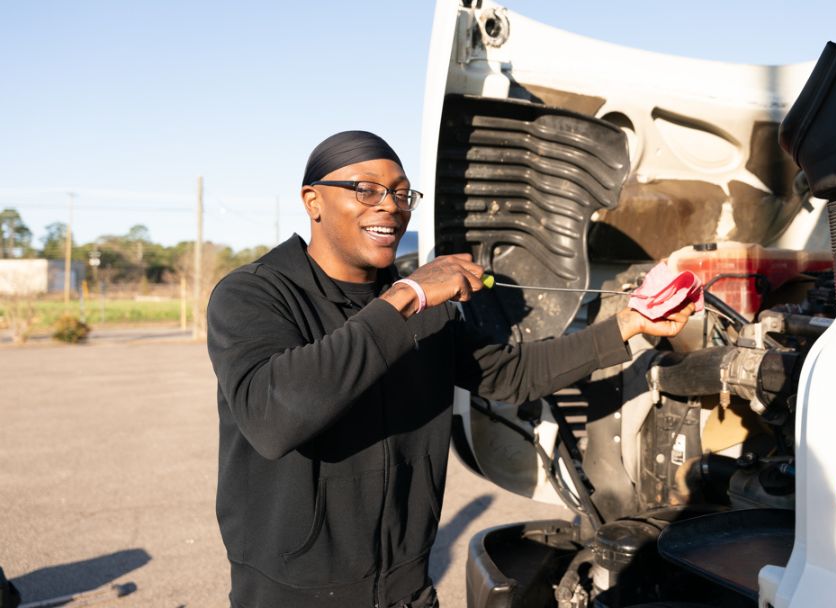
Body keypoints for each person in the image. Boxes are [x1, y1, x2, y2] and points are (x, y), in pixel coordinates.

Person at [206, 131, 693, 608]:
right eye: (366, 190)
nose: (390, 205)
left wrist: (629, 324)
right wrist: (408, 296)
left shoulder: (422, 308)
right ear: (313, 201)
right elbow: (274, 418)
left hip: (406, 588)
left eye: (401, 193)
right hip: (291, 593)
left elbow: (510, 374)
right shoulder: (254, 294)